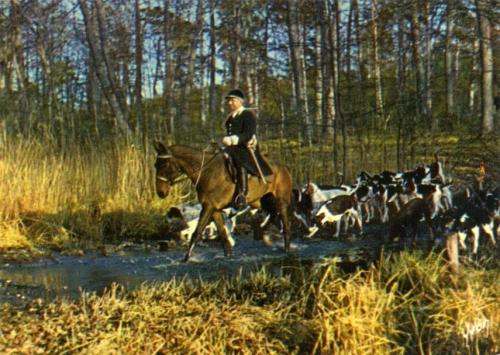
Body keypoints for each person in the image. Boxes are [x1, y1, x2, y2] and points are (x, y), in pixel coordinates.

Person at [222, 89, 272, 209]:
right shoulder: (230, 117)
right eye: (228, 101)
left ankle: (242, 194)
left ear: (239, 101)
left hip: (246, 147)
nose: (229, 103)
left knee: (240, 162)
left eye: (232, 100)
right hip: (232, 147)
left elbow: (248, 133)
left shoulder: (247, 115)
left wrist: (234, 139)